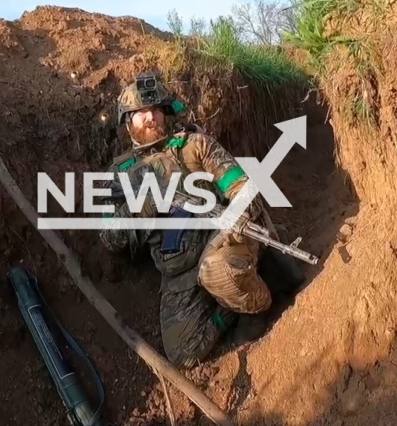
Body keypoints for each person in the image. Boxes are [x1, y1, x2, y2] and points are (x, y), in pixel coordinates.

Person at [100, 72, 301, 367]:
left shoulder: (194, 146)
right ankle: (230, 305)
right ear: (127, 121)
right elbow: (109, 238)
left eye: (156, 110)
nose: (150, 117)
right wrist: (144, 205)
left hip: (223, 243)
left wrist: (230, 223)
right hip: (180, 273)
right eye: (140, 113)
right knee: (183, 353)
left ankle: (258, 306)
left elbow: (245, 191)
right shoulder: (120, 174)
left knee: (216, 269)